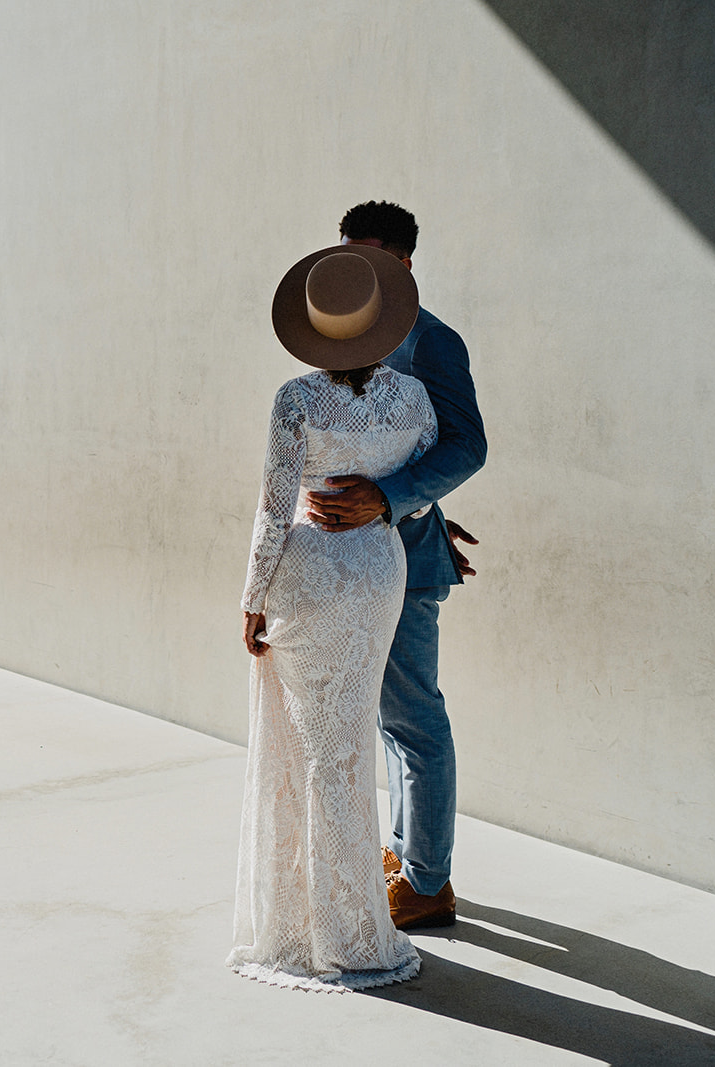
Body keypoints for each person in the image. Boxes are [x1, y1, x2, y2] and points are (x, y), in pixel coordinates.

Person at [228, 241, 435, 992]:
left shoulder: (295, 399)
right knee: (347, 737)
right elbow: (427, 466)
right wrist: (379, 494)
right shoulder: (413, 400)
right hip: (377, 570)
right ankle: (351, 923)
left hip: (309, 572)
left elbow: (274, 510)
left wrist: (252, 598)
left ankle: (316, 927)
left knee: (310, 745)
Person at [307, 201, 486, 930]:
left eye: (371, 256)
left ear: (405, 263)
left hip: (403, 564)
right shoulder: (350, 333)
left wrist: (393, 501)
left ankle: (428, 883)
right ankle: (408, 851)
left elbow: (465, 446)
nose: (355, 268)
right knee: (390, 722)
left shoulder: (433, 342)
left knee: (414, 721)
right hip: (363, 558)